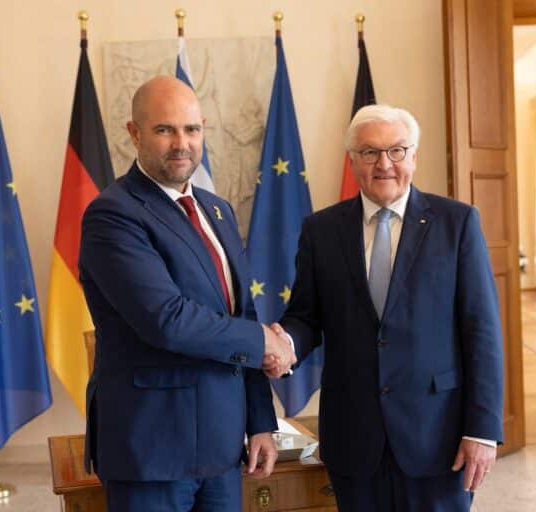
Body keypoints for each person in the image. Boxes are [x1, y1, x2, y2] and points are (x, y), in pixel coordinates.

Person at [268, 104, 504, 511]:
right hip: (354, 436)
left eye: (396, 150)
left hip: (438, 435)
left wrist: (482, 430)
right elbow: (306, 316)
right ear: (352, 160)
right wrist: (285, 343)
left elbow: (481, 330)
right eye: (370, 152)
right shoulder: (321, 230)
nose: (384, 164)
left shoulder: (457, 223)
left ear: (414, 156)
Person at [79, 75, 296, 512]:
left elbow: (242, 314)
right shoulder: (113, 214)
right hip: (151, 448)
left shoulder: (217, 211)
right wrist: (264, 342)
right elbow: (167, 320)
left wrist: (259, 421)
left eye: (192, 129)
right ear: (134, 133)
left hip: (221, 445)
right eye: (165, 130)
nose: (182, 143)